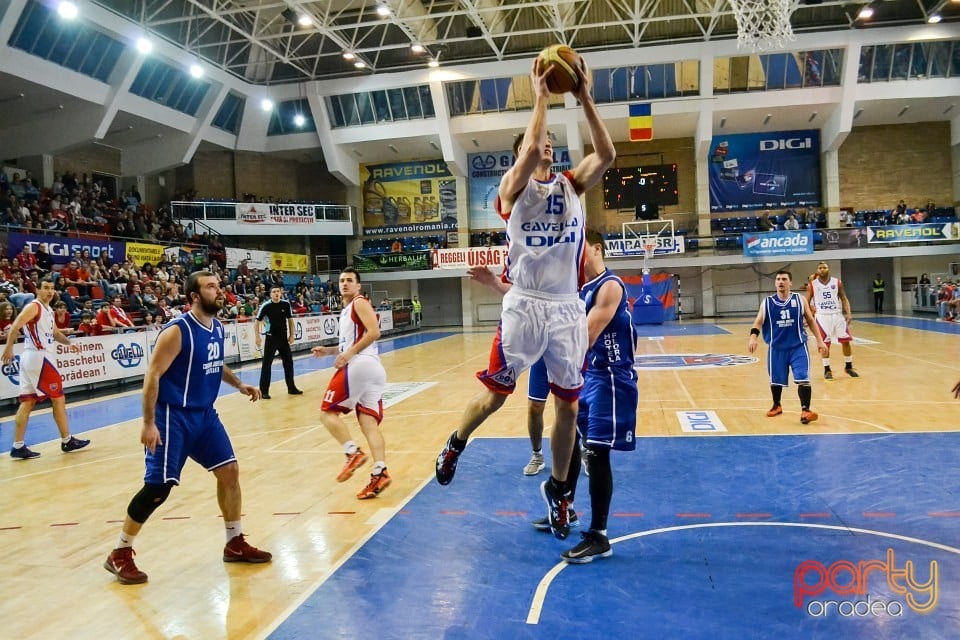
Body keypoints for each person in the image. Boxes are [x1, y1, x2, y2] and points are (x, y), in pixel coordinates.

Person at [434, 51, 616, 541]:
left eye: (553, 147)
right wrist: (539, 96)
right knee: (496, 393)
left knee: (569, 408)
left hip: (563, 307)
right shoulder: (510, 191)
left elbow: (608, 155)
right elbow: (530, 150)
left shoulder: (572, 187)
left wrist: (584, 97)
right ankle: (456, 442)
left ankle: (559, 492)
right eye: (541, 147)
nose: (547, 151)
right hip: (524, 304)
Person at [473, 229, 639, 562]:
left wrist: (541, 341)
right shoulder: (576, 289)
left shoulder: (610, 285)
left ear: (596, 248)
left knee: (596, 454)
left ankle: (599, 535)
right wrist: (495, 284)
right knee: (574, 447)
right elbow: (535, 303)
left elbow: (585, 336)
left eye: (582, 250)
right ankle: (567, 507)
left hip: (610, 379)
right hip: (588, 376)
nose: (576, 256)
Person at [104, 271, 271, 585]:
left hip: (204, 415)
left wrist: (238, 384)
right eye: (210, 287)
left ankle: (234, 542)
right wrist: (148, 423)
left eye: (219, 285)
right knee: (158, 488)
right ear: (194, 296)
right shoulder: (177, 331)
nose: (218, 290)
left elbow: (214, 362)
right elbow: (152, 376)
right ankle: (120, 552)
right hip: (172, 416)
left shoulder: (217, 326)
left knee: (230, 472)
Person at [311, 267, 391, 500]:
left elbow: (375, 332)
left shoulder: (359, 302)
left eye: (349, 280)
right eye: (342, 281)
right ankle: (380, 471)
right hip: (372, 368)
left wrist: (349, 354)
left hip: (360, 364)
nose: (344, 284)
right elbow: (350, 343)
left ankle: (352, 452)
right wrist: (329, 350)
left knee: (326, 414)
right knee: (368, 424)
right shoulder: (347, 310)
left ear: (358, 285)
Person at [0, 277, 91, 459]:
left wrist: (69, 343)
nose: (49, 291)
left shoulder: (48, 309)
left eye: (52, 288)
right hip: (39, 357)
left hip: (32, 358)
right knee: (58, 398)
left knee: (28, 401)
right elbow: (16, 324)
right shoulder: (34, 306)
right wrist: (9, 347)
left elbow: (56, 333)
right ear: (38, 290)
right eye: (45, 288)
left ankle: (17, 446)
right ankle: (67, 440)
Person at [748, 270, 828, 425]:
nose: (780, 282)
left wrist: (820, 340)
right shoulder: (767, 302)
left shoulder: (800, 300)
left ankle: (805, 410)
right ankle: (777, 405)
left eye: (784, 279)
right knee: (776, 380)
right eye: (778, 279)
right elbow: (758, 322)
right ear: (775, 283)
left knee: (803, 377)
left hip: (798, 346)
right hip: (776, 347)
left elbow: (811, 321)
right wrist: (753, 337)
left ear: (790, 283)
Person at [806, 261, 858, 380]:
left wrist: (848, 313)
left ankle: (848, 367)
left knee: (846, 341)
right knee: (825, 344)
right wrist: (809, 315)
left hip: (837, 315)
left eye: (824, 267)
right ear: (817, 271)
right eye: (820, 268)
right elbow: (806, 302)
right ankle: (827, 369)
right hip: (822, 316)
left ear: (828, 269)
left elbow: (844, 298)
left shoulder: (837, 282)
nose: (822, 269)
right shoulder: (812, 285)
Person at [255, 285, 302, 399]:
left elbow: (290, 320)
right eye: (274, 292)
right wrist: (257, 337)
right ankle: (264, 391)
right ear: (270, 294)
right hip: (271, 338)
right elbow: (257, 323)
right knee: (267, 364)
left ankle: (291, 388)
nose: (276, 293)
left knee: (288, 363)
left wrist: (291, 335)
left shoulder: (286, 304)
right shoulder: (266, 306)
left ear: (281, 293)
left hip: (283, 338)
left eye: (278, 291)